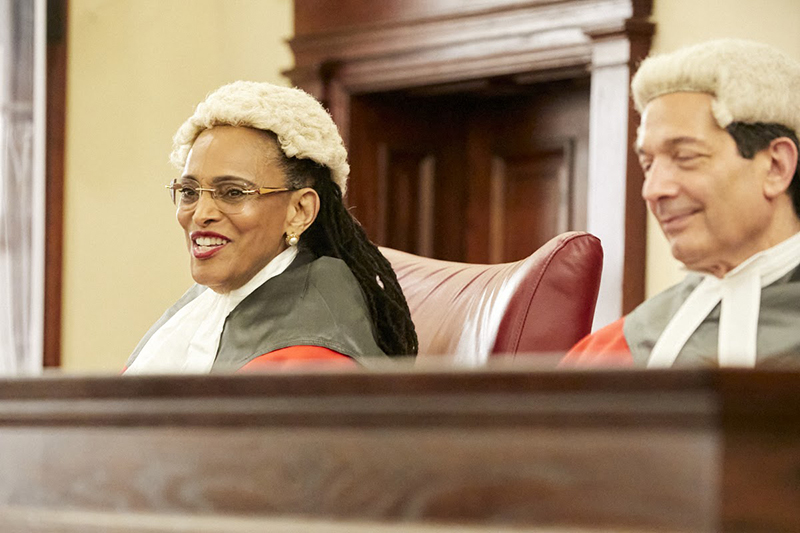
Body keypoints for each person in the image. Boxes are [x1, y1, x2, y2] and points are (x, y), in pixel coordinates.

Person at [125, 81, 418, 373]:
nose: (201, 214)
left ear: (299, 211)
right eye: (189, 192)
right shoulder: (208, 300)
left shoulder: (310, 359)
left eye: (233, 192)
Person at [564, 39, 800, 367]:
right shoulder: (605, 355)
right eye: (648, 165)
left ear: (776, 167)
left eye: (685, 156)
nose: (652, 190)